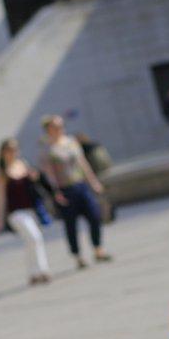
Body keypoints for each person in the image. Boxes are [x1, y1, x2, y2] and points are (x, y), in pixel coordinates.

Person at [39, 115, 111, 269]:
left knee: (94, 215)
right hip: (64, 189)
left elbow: (83, 163)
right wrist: (55, 192)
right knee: (71, 224)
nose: (60, 128)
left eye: (61, 125)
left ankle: (98, 248)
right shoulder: (47, 148)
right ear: (48, 129)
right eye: (56, 126)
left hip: (80, 185)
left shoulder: (71, 142)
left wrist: (93, 182)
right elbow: (49, 174)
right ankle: (78, 256)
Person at [0, 138, 52, 286]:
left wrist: (34, 177)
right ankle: (42, 271)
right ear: (3, 153)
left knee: (30, 242)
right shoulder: (2, 173)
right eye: (9, 150)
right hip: (16, 213)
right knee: (35, 237)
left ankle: (33, 274)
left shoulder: (24, 165)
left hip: (32, 210)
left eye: (15, 149)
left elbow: (36, 184)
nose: (13, 153)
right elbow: (1, 199)